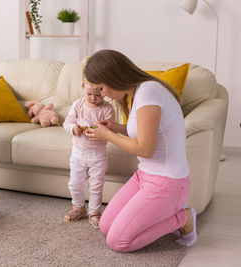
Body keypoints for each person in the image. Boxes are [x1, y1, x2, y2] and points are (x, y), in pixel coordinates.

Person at [83, 49, 197, 252]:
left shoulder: (149, 92)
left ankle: (183, 217)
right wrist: (116, 127)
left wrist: (108, 136)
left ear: (114, 77)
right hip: (144, 176)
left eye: (102, 88)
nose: (104, 95)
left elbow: (145, 149)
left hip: (168, 182)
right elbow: (149, 134)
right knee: (105, 226)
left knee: (118, 242)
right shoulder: (139, 91)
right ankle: (166, 214)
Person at [63, 72, 115, 228]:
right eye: (89, 94)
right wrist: (74, 128)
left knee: (96, 185)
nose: (93, 98)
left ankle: (94, 211)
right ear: (83, 88)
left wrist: (100, 131)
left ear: (104, 91)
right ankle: (78, 207)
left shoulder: (107, 108)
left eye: (98, 95)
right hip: (78, 153)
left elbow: (110, 131)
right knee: (74, 184)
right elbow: (67, 123)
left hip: (97, 155)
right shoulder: (78, 105)